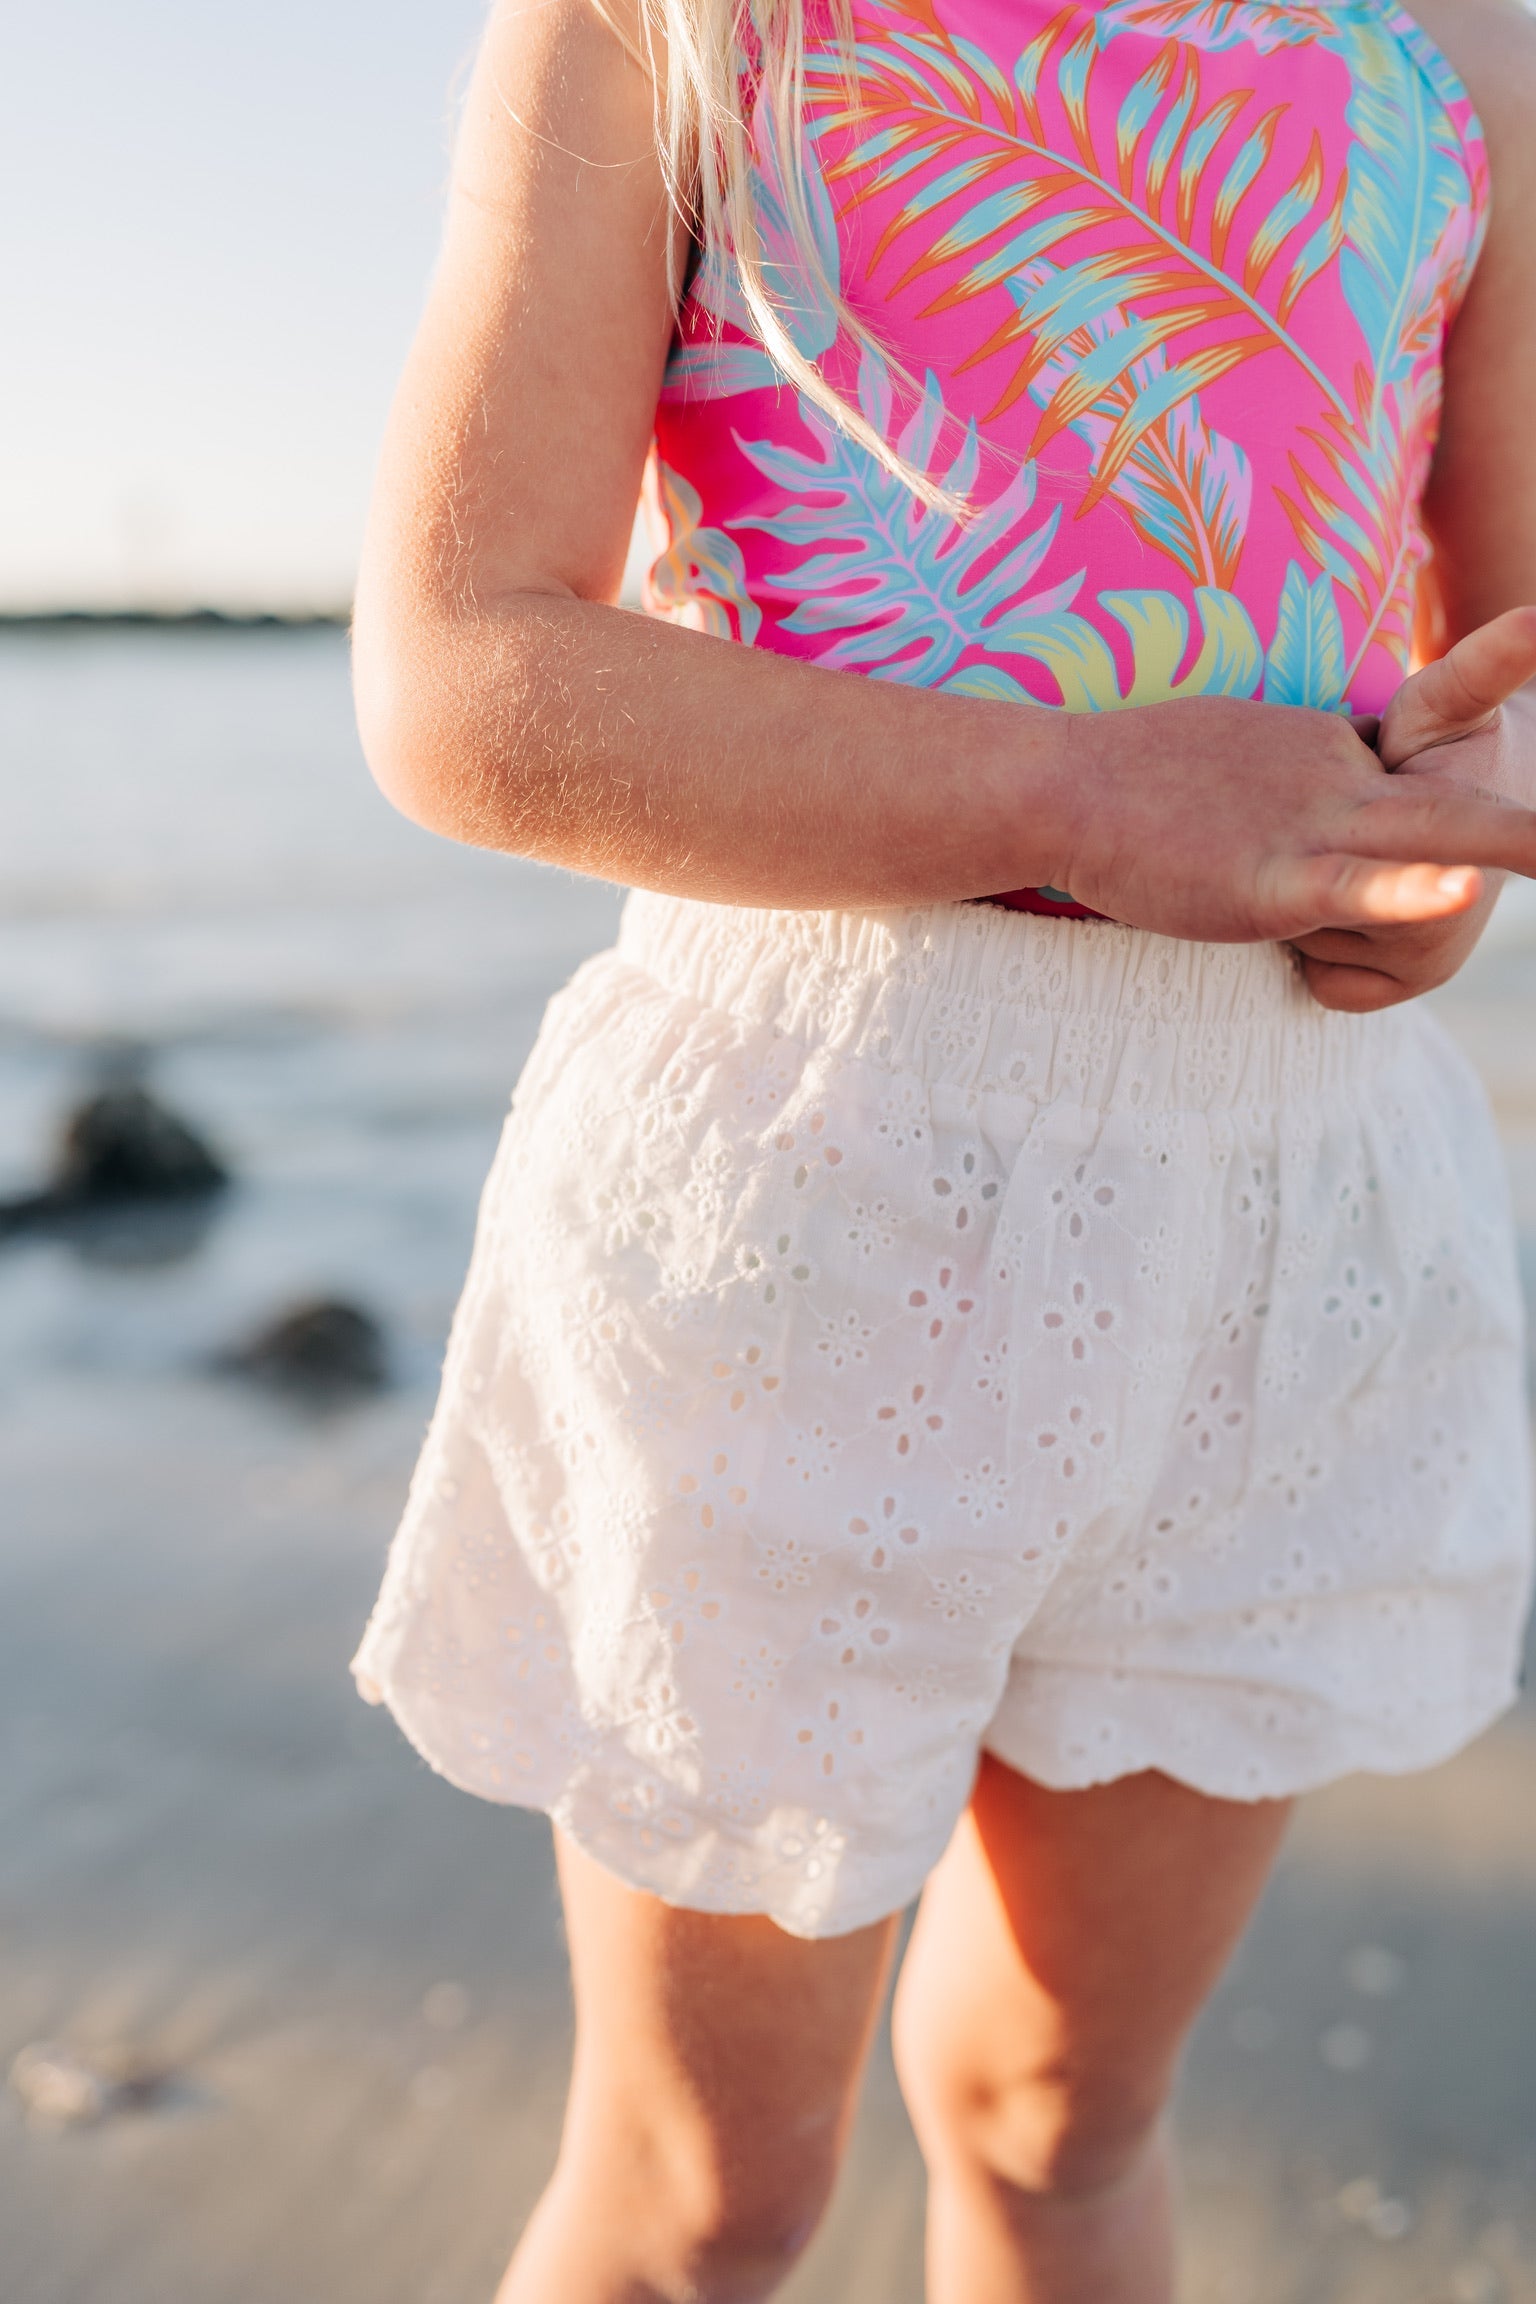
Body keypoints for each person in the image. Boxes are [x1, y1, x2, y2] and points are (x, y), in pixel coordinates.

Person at [349, 0, 1536, 2294]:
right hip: (810, 1188)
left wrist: (1445, 860)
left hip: (1286, 1216)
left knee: (1066, 2118)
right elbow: (460, 673)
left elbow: (1489, 634)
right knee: (714, 2190)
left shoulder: (1458, 34)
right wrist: (1075, 796)